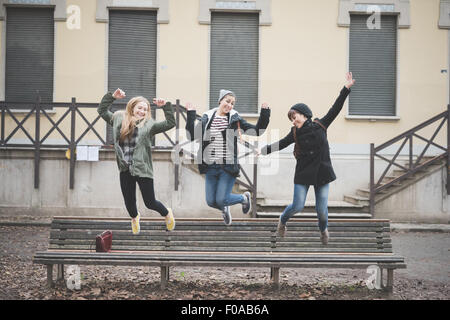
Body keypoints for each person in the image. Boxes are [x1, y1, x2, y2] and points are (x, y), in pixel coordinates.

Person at [259, 72, 355, 244]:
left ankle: (323, 230)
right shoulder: (294, 132)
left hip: (322, 172)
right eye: (291, 119)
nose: (293, 121)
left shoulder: (320, 125)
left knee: (322, 211)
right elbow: (282, 143)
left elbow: (336, 108)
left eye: (294, 117)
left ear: (303, 114)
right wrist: (264, 150)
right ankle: (282, 221)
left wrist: (345, 89)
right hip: (303, 173)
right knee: (297, 206)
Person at [97, 88, 176, 234]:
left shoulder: (149, 125)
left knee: (150, 202)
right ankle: (135, 218)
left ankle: (167, 214)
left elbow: (170, 123)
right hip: (125, 168)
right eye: (140, 107)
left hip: (143, 169)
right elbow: (102, 110)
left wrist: (166, 106)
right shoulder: (118, 118)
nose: (142, 111)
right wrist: (112, 97)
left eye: (145, 109)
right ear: (132, 107)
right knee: (130, 205)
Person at [185, 90, 270, 225]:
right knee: (211, 201)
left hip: (227, 166)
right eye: (227, 101)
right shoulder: (206, 118)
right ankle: (226, 207)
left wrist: (265, 113)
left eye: (232, 103)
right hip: (210, 165)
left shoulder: (235, 120)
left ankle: (243, 198)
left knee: (220, 199)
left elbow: (257, 130)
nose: (230, 105)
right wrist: (190, 114)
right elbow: (191, 135)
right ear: (220, 101)